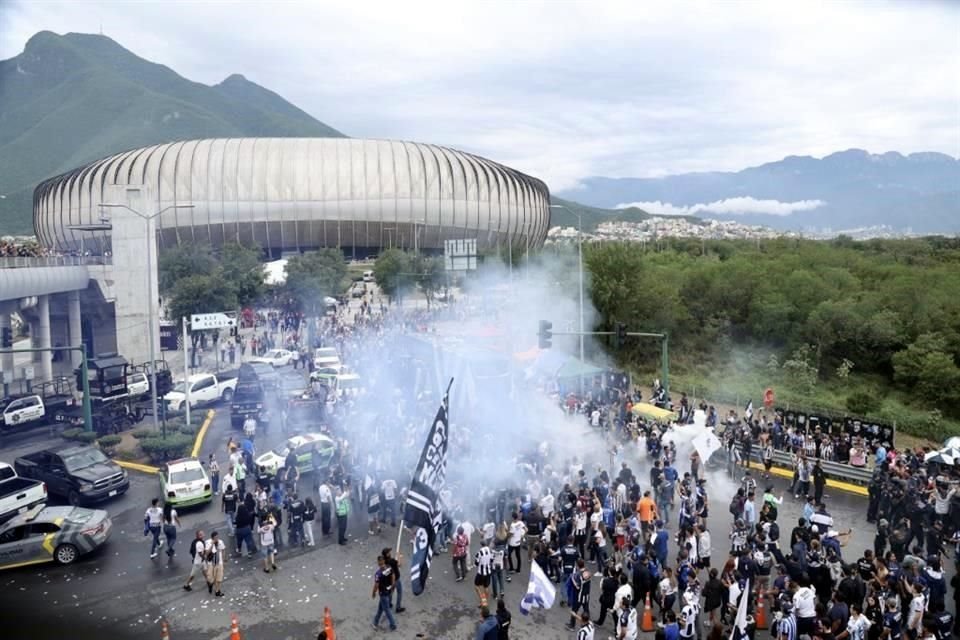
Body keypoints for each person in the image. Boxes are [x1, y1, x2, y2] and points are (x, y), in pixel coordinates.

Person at [372, 555, 397, 632]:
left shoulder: (378, 574)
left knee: (386, 610)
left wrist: (373, 593)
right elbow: (393, 576)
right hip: (389, 591)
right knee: (380, 608)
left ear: (379, 562)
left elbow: (376, 585)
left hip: (383, 593)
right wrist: (393, 586)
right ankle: (375, 622)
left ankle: (393, 625)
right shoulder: (389, 567)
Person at [382, 547, 406, 613]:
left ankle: (389, 604)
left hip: (389, 580)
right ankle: (398, 607)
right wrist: (400, 556)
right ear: (387, 554)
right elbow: (399, 564)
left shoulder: (384, 561)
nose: (390, 553)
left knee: (391, 592)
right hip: (396, 579)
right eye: (389, 552)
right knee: (399, 593)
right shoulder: (391, 561)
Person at [204, 530, 226, 597]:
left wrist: (223, 560)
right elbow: (207, 553)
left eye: (217, 537)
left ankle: (217, 591)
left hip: (219, 563)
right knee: (211, 578)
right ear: (212, 537)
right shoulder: (208, 542)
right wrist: (212, 544)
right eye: (215, 537)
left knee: (219, 578)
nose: (217, 538)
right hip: (211, 564)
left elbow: (223, 550)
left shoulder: (220, 542)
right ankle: (210, 584)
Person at [475, 539, 494, 605]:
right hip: (488, 571)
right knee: (486, 587)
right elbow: (492, 560)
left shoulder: (479, 552)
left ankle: (482, 600)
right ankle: (485, 600)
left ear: (481, 545)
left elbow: (476, 563)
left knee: (477, 586)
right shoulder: (490, 550)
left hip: (481, 573)